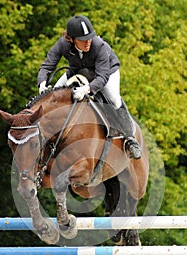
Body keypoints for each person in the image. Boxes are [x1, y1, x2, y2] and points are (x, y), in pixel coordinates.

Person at [37, 15, 141, 159]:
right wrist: (42, 84)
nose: (88, 42)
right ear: (72, 39)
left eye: (89, 38)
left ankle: (130, 138)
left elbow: (102, 77)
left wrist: (86, 89)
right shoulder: (62, 44)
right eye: (83, 39)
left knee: (114, 99)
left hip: (106, 72)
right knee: (53, 97)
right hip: (77, 71)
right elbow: (47, 65)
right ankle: (46, 135)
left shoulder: (99, 46)